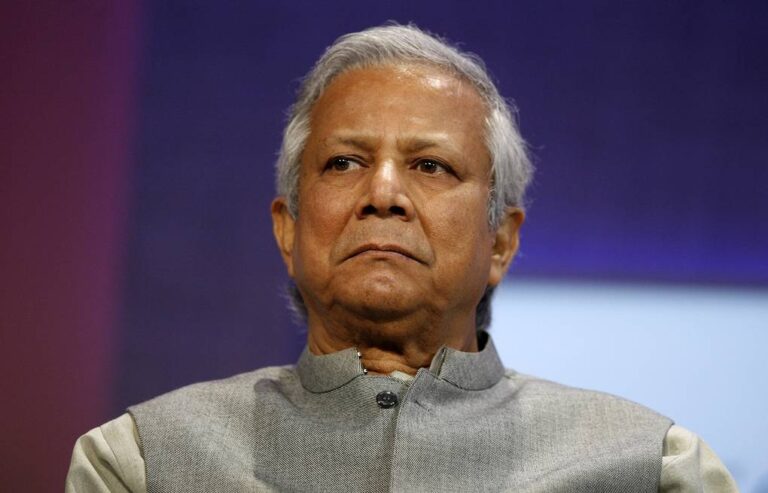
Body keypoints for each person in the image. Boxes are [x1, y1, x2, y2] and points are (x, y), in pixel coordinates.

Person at [66, 24, 737, 492]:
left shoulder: (652, 469)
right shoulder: (144, 463)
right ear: (289, 230)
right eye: (344, 162)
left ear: (501, 241)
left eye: (431, 165)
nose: (383, 193)